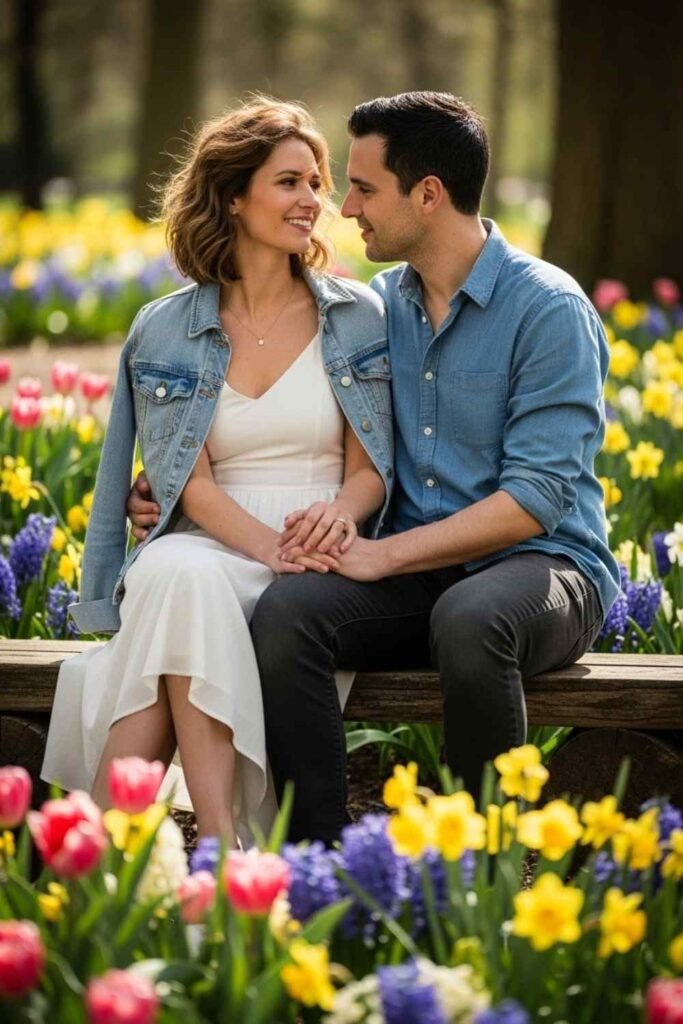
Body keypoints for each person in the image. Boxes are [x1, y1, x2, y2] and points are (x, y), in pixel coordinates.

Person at [129, 91, 621, 846]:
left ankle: (480, 876)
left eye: (361, 188)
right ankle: (316, 857)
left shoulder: (546, 308)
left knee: (472, 617)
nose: (343, 207)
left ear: (427, 195)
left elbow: (537, 497)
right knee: (289, 614)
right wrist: (169, 487)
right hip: (414, 571)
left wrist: (381, 553)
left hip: (539, 570)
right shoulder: (377, 307)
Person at [41, 98, 393, 847]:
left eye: (317, 183)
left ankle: (101, 854)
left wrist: (334, 520)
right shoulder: (166, 327)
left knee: (172, 596)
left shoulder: (358, 317)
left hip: (320, 552)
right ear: (234, 195)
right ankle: (220, 842)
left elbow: (371, 471)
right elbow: (188, 485)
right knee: (177, 571)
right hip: (220, 536)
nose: (312, 202)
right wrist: (268, 547)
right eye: (289, 183)